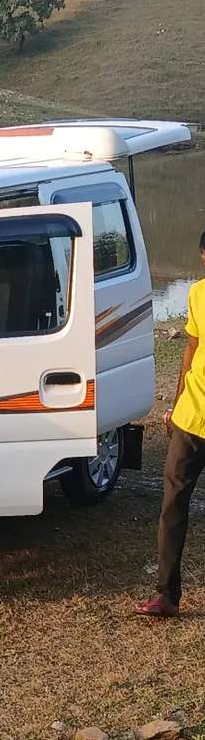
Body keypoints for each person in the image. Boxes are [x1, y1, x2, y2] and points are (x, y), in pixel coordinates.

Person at [136, 232, 205, 618]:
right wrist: (176, 406)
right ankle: (166, 594)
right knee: (172, 505)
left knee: (173, 505)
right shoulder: (197, 295)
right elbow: (191, 350)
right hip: (192, 418)